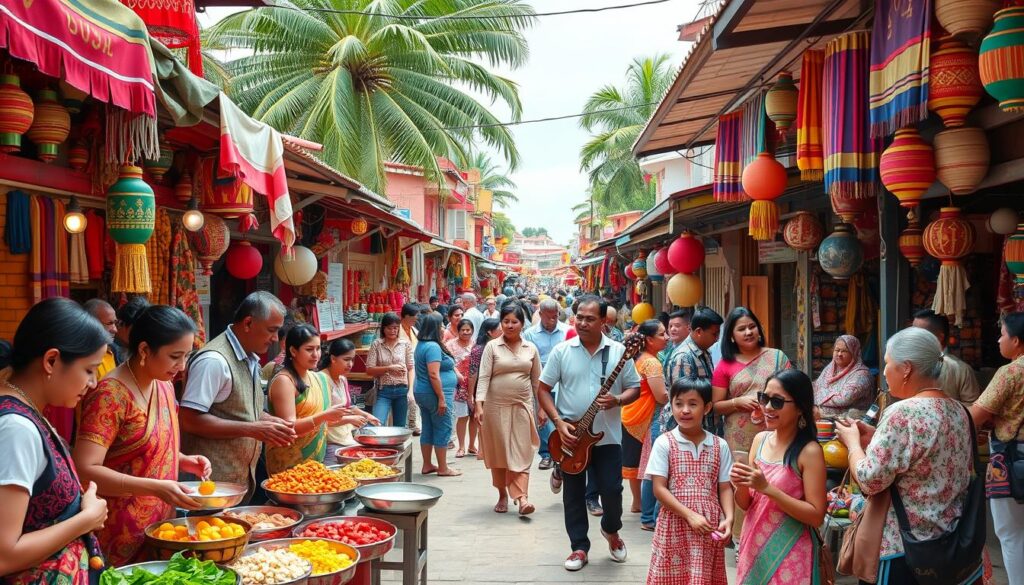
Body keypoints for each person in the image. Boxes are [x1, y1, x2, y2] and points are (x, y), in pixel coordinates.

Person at [836, 327, 980, 585]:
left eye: (887, 364)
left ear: (906, 368)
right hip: (950, 541)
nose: (884, 372)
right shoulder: (961, 411)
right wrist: (875, 437)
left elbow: (869, 480)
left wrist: (853, 444)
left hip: (904, 548)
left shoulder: (902, 412)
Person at [73, 305, 208, 565]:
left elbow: (147, 446)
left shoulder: (164, 384)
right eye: (174, 356)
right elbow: (85, 469)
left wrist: (183, 459)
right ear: (145, 350)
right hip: (118, 534)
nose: (181, 367)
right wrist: (155, 488)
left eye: (186, 357)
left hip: (163, 530)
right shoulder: (110, 394)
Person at [0, 298, 109, 583]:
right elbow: (4, 555)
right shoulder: (16, 429)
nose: (93, 382)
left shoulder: (30, 412)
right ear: (51, 361)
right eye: (88, 370)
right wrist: (86, 520)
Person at [537, 295, 642, 572]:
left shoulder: (619, 351)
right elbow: (543, 390)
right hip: (571, 437)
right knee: (572, 494)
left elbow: (636, 388)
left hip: (608, 437)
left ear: (603, 321)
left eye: (590, 318)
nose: (582, 323)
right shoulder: (562, 351)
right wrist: (558, 423)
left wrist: (618, 399)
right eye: (579, 317)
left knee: (612, 491)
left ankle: (611, 529)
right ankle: (579, 547)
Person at [179, 291, 297, 502]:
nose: (275, 339)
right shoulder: (214, 361)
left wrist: (268, 421)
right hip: (210, 485)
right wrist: (253, 428)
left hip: (238, 482)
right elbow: (189, 420)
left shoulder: (249, 357)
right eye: (272, 330)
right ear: (248, 323)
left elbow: (240, 409)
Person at [731, 369, 827, 584]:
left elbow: (816, 515)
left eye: (777, 402)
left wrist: (767, 488)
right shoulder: (760, 440)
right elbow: (746, 505)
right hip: (753, 547)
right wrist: (742, 485)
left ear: (801, 407)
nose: (767, 408)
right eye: (764, 398)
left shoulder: (808, 452)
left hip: (790, 550)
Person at [646, 379, 734, 585]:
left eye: (693, 404)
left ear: (707, 408)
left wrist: (728, 519)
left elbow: (725, 487)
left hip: (708, 526)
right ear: (671, 405)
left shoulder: (719, 445)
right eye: (679, 404)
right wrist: (690, 515)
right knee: (670, 576)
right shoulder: (664, 443)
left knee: (702, 576)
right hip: (674, 523)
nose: (685, 410)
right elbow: (659, 489)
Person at [713, 307, 791, 537]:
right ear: (731, 336)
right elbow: (715, 406)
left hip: (776, 430)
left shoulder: (777, 357)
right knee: (742, 484)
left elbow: (791, 391)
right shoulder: (725, 365)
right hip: (740, 437)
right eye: (741, 329)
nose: (748, 332)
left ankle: (774, 533)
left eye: (752, 326)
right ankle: (740, 538)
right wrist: (737, 401)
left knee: (775, 479)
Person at [971, 312, 1024, 585]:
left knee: (1011, 533)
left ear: (1016, 340)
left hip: (1012, 459)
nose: (999, 339)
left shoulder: (1012, 371)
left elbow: (975, 416)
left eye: (1002, 334)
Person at [475, 303, 543, 515]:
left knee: (522, 451)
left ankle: (522, 498)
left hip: (522, 407)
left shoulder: (530, 348)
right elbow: (484, 376)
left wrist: (541, 408)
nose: (510, 325)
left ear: (523, 324)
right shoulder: (492, 347)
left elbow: (537, 381)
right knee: (500, 453)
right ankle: (503, 495)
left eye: (515, 322)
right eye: (506, 321)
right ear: (501, 323)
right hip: (495, 409)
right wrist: (479, 405)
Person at [266, 324, 358, 475]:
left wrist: (347, 416)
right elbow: (290, 428)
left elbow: (325, 421)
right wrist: (325, 416)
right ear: (293, 351)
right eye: (309, 349)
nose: (316, 354)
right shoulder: (284, 381)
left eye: (318, 348)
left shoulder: (319, 378)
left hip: (316, 460)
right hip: (288, 465)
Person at [622, 320, 668, 524]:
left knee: (635, 462)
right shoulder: (651, 362)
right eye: (662, 334)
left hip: (630, 413)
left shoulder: (637, 358)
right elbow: (660, 396)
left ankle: (637, 502)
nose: (666, 337)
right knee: (650, 463)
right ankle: (647, 512)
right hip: (646, 416)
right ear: (649, 339)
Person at [524, 298, 570, 471]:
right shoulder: (530, 334)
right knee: (542, 417)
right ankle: (546, 454)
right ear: (540, 314)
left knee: (562, 416)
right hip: (541, 380)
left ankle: (562, 450)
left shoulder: (567, 331)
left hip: (564, 381)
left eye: (555, 316)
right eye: (548, 316)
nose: (553, 319)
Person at [414, 313, 461, 476]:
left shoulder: (422, 344)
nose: (443, 328)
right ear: (434, 328)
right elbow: (433, 374)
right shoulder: (433, 347)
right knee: (443, 427)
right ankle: (443, 468)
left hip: (423, 391)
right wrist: (441, 398)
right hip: (433, 393)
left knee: (428, 427)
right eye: (441, 325)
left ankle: (427, 465)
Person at [664, 307, 723, 432]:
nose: (717, 338)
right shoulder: (683, 357)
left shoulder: (703, 351)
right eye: (714, 334)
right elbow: (683, 403)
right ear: (699, 331)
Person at [321, 339, 378, 464]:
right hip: (330, 443)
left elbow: (349, 406)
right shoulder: (322, 380)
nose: (350, 364)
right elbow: (321, 420)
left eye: (352, 360)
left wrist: (366, 415)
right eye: (346, 360)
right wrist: (350, 419)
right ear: (333, 359)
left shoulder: (342, 379)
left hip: (345, 438)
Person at [913, 309, 981, 404]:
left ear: (940, 337)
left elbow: (974, 408)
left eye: (919, 334)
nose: (912, 338)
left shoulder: (961, 370)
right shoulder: (908, 365)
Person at [365, 313, 414, 428]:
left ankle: (395, 446)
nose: (393, 331)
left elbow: (411, 368)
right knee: (376, 423)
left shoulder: (405, 344)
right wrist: (389, 368)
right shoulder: (377, 344)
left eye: (395, 328)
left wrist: (410, 391)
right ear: (383, 328)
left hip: (402, 389)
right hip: (383, 390)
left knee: (400, 427)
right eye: (389, 328)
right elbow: (369, 370)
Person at [813, 334, 875, 419]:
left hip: (852, 421)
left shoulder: (862, 375)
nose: (839, 354)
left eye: (844, 351)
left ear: (854, 353)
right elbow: (816, 387)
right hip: (824, 418)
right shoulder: (829, 369)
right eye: (837, 350)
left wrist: (819, 396)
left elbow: (845, 398)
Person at [468, 318, 502, 460]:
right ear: (490, 332)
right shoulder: (478, 349)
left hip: (496, 388)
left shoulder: (498, 346)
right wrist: (471, 395)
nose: (501, 330)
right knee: (482, 418)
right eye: (498, 329)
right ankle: (482, 450)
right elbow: (473, 373)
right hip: (482, 388)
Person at [446, 319, 475, 458]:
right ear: (458, 331)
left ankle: (472, 445)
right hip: (458, 386)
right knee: (462, 416)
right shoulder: (450, 345)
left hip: (474, 385)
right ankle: (461, 446)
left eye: (468, 330)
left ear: (472, 331)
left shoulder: (475, 345)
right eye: (462, 330)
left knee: (475, 416)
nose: (465, 332)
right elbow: (447, 363)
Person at [399, 303, 422, 435]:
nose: (416, 319)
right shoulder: (397, 331)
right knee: (407, 396)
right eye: (414, 316)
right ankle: (409, 423)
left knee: (414, 395)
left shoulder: (414, 330)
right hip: (402, 367)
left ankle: (414, 423)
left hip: (414, 367)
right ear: (406, 316)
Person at [113, 296, 150, 365]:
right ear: (120, 324)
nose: (140, 334)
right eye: (137, 329)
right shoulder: (109, 349)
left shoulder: (139, 349)